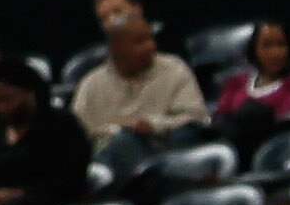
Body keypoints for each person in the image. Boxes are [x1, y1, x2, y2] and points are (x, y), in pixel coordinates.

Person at [0, 57, 93, 205]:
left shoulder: (61, 124)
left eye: (8, 99)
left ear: (30, 92)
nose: (2, 108)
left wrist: (18, 193)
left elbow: (70, 179)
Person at [72, 17, 209, 148]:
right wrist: (120, 131)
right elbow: (77, 133)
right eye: (139, 42)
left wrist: (154, 125)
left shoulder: (174, 69)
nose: (150, 46)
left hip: (164, 148)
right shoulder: (90, 84)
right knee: (122, 144)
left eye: (150, 38)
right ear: (116, 48)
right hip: (113, 155)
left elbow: (196, 118)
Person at [214, 21, 290, 157]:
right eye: (267, 46)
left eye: (281, 45)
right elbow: (221, 122)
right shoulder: (235, 83)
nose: (275, 53)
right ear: (254, 50)